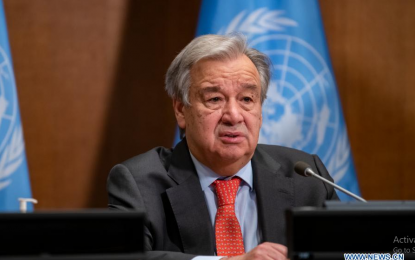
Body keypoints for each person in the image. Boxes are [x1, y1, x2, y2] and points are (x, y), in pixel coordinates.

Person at [107, 34, 338, 260]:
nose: (233, 116)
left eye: (247, 99)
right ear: (180, 110)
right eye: (215, 99)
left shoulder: (307, 177)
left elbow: (358, 255)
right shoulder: (139, 183)